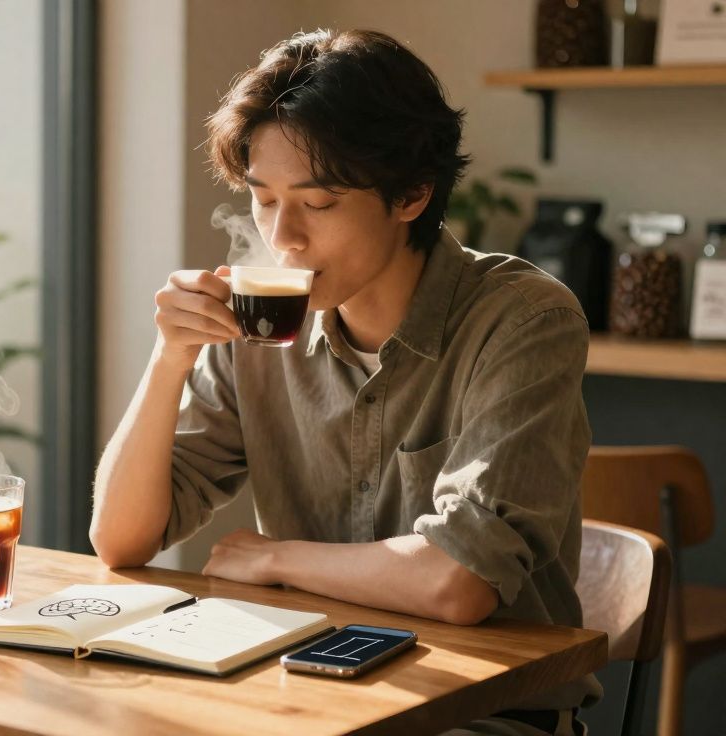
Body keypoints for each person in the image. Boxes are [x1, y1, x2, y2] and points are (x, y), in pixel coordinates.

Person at [90, 29, 598, 736]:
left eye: (319, 203)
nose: (284, 238)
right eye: (264, 200)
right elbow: (120, 539)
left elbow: (459, 582)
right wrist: (168, 358)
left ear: (412, 194)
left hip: (483, 713)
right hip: (303, 693)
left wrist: (275, 558)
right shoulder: (259, 326)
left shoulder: (523, 320)